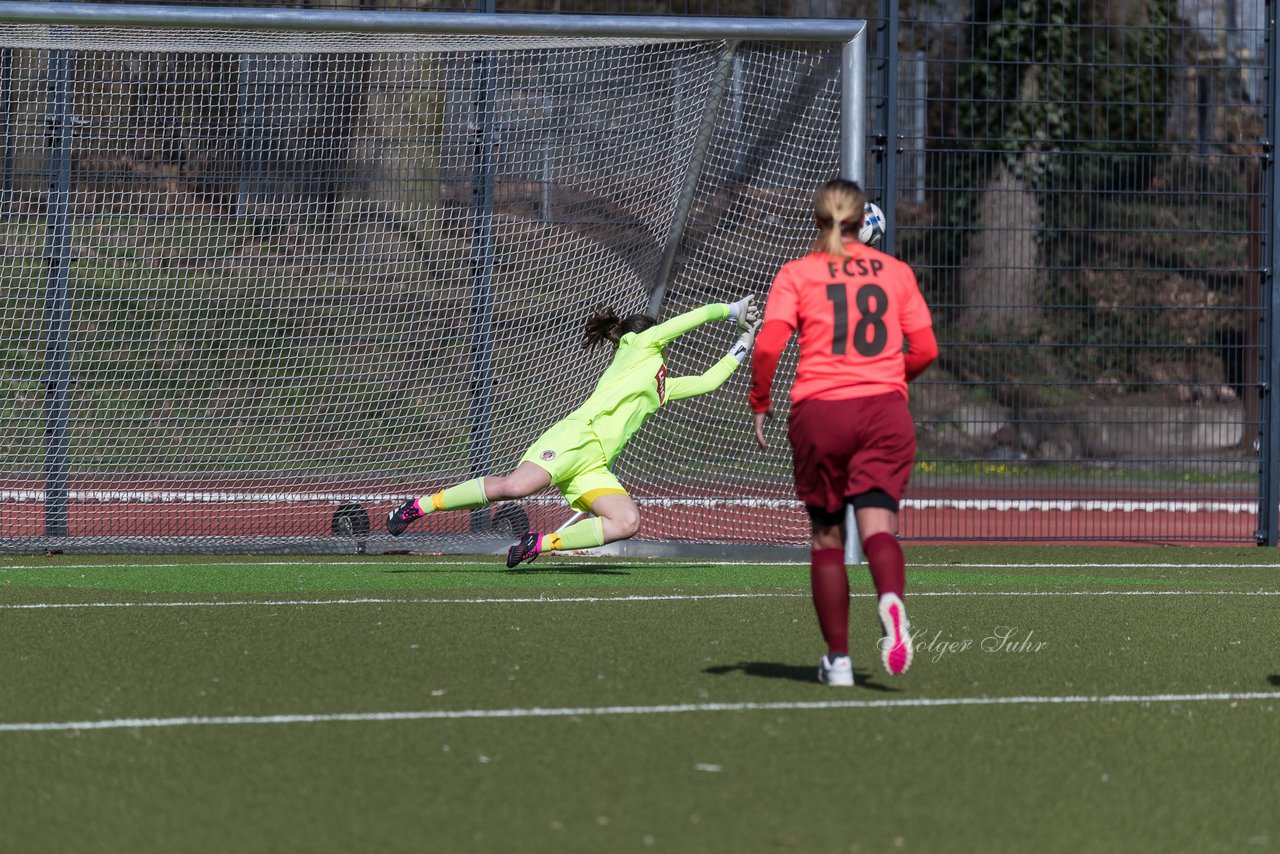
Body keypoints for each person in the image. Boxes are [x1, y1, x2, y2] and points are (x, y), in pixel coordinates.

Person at [388, 298, 763, 567]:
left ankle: (541, 543)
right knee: (516, 487)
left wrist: (744, 342)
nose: (663, 336)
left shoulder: (660, 384)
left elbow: (709, 382)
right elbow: (684, 322)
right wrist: (730, 311)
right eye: (658, 331)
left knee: (626, 522)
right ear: (640, 335)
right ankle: (418, 506)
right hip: (574, 438)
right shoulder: (638, 345)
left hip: (594, 464)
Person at [749, 178, 937, 685]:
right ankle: (892, 602)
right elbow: (925, 349)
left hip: (821, 413)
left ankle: (839, 661)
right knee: (878, 528)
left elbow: (768, 347)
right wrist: (891, 380)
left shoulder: (797, 273)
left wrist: (760, 401)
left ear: (818, 220)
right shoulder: (895, 272)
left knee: (827, 538)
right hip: (883, 412)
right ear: (863, 221)